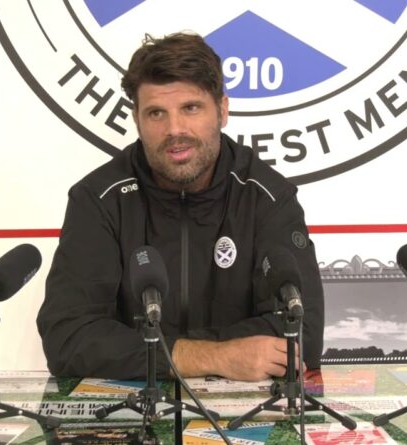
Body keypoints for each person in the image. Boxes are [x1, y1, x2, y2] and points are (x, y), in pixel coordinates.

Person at [37, 33, 324, 381]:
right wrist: (214, 357)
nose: (174, 130)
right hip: (135, 409)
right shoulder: (99, 199)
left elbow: (302, 332)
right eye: (156, 113)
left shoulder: (267, 196)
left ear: (222, 110)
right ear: (137, 119)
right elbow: (67, 337)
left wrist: (145, 352)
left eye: (191, 108)